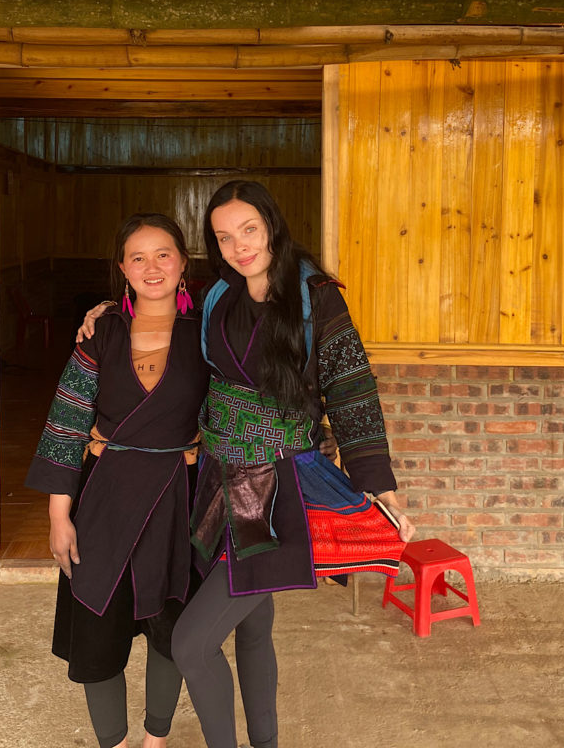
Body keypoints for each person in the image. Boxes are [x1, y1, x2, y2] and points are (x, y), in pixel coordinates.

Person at [169, 180, 416, 748]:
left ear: (272, 224)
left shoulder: (316, 296)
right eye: (224, 237)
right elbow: (174, 343)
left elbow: (351, 390)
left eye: (248, 230)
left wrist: (380, 485)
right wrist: (110, 312)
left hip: (278, 489)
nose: (238, 246)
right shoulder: (217, 298)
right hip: (218, 480)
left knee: (191, 644)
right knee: (253, 628)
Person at [25, 213, 210, 748]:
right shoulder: (102, 332)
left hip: (180, 495)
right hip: (103, 495)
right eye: (138, 257)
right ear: (122, 270)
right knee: (98, 623)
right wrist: (59, 517)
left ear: (183, 263)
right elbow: (66, 423)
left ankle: (155, 739)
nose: (152, 267)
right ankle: (115, 742)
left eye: (164, 255)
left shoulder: (209, 332)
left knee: (171, 625)